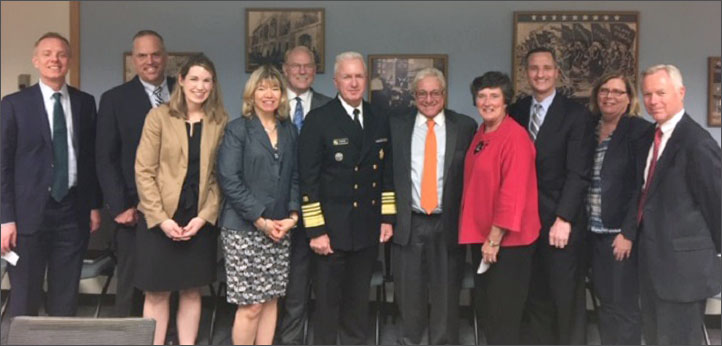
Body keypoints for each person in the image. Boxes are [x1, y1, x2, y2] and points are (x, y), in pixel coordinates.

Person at [0, 32, 101, 317]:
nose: (54, 59)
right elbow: (3, 165)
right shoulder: (13, 105)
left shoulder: (85, 103)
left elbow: (89, 159)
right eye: (47, 54)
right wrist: (5, 218)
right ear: (36, 61)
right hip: (26, 216)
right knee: (25, 296)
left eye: (61, 54)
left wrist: (93, 204)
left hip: (72, 211)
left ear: (69, 60)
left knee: (65, 295)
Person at [298, 51, 395, 344]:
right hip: (330, 231)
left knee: (357, 304)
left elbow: (386, 173)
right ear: (336, 81)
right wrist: (316, 231)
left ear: (366, 80)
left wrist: (387, 218)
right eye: (347, 76)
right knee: (327, 305)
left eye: (359, 76)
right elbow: (308, 180)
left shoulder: (379, 117)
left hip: (366, 228)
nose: (354, 83)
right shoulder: (319, 120)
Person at [134, 54, 227, 345]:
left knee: (191, 290)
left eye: (207, 80)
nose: (200, 86)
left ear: (213, 85)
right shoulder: (159, 116)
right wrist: (161, 219)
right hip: (159, 220)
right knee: (157, 291)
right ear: (182, 81)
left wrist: (203, 218)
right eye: (195, 79)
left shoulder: (220, 121)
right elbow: (144, 171)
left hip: (199, 221)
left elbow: (220, 178)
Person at [625, 64, 720, 344]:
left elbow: (717, 205)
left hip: (684, 272)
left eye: (661, 93)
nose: (653, 101)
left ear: (681, 92)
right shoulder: (648, 138)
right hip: (653, 267)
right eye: (648, 94)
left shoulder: (697, 143)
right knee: (656, 338)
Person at [508, 47, 595, 345]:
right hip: (523, 221)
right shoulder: (516, 111)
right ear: (526, 73)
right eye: (534, 68)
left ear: (557, 72)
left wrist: (564, 217)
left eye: (546, 68)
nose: (540, 74)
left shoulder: (576, 115)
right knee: (533, 291)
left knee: (565, 293)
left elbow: (579, 172)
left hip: (559, 220)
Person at [388, 68, 476, 344]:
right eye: (422, 93)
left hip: (447, 222)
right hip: (409, 222)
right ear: (413, 96)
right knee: (408, 293)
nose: (429, 99)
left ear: (444, 94)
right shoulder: (396, 126)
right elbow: (386, 176)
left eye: (435, 92)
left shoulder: (465, 126)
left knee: (447, 294)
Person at [216, 65, 299, 345]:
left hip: (279, 229)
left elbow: (295, 176)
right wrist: (261, 220)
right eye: (262, 88)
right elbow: (229, 180)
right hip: (244, 229)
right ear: (251, 94)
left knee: (271, 299)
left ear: (282, 94)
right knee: (250, 305)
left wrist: (293, 216)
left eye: (274, 88)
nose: (268, 94)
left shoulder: (289, 131)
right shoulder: (238, 129)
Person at [96, 29, 175, 318]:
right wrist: (119, 207)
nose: (150, 61)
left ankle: (169, 335)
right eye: (142, 55)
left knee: (172, 277)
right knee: (131, 279)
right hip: (133, 208)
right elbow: (105, 158)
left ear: (165, 57)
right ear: (133, 60)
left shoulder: (184, 91)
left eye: (155, 54)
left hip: (179, 207)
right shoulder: (114, 99)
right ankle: (127, 336)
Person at [458, 71, 540, 344]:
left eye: (494, 96)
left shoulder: (514, 137)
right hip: (483, 238)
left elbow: (512, 194)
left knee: (504, 315)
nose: (487, 101)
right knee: (488, 311)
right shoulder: (482, 132)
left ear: (506, 101)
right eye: (482, 96)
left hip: (507, 243)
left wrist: (494, 239)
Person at [585, 72, 649, 345]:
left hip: (618, 235)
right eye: (604, 91)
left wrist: (628, 232)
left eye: (617, 92)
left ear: (629, 98)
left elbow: (641, 186)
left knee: (622, 304)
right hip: (592, 231)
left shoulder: (638, 130)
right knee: (603, 300)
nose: (609, 96)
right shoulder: (590, 128)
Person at [276, 46, 331, 345]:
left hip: (319, 206)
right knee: (282, 286)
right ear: (285, 69)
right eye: (295, 66)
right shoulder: (269, 101)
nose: (301, 71)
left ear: (315, 69)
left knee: (316, 282)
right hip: (277, 210)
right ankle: (285, 339)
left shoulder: (329, 105)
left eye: (307, 66)